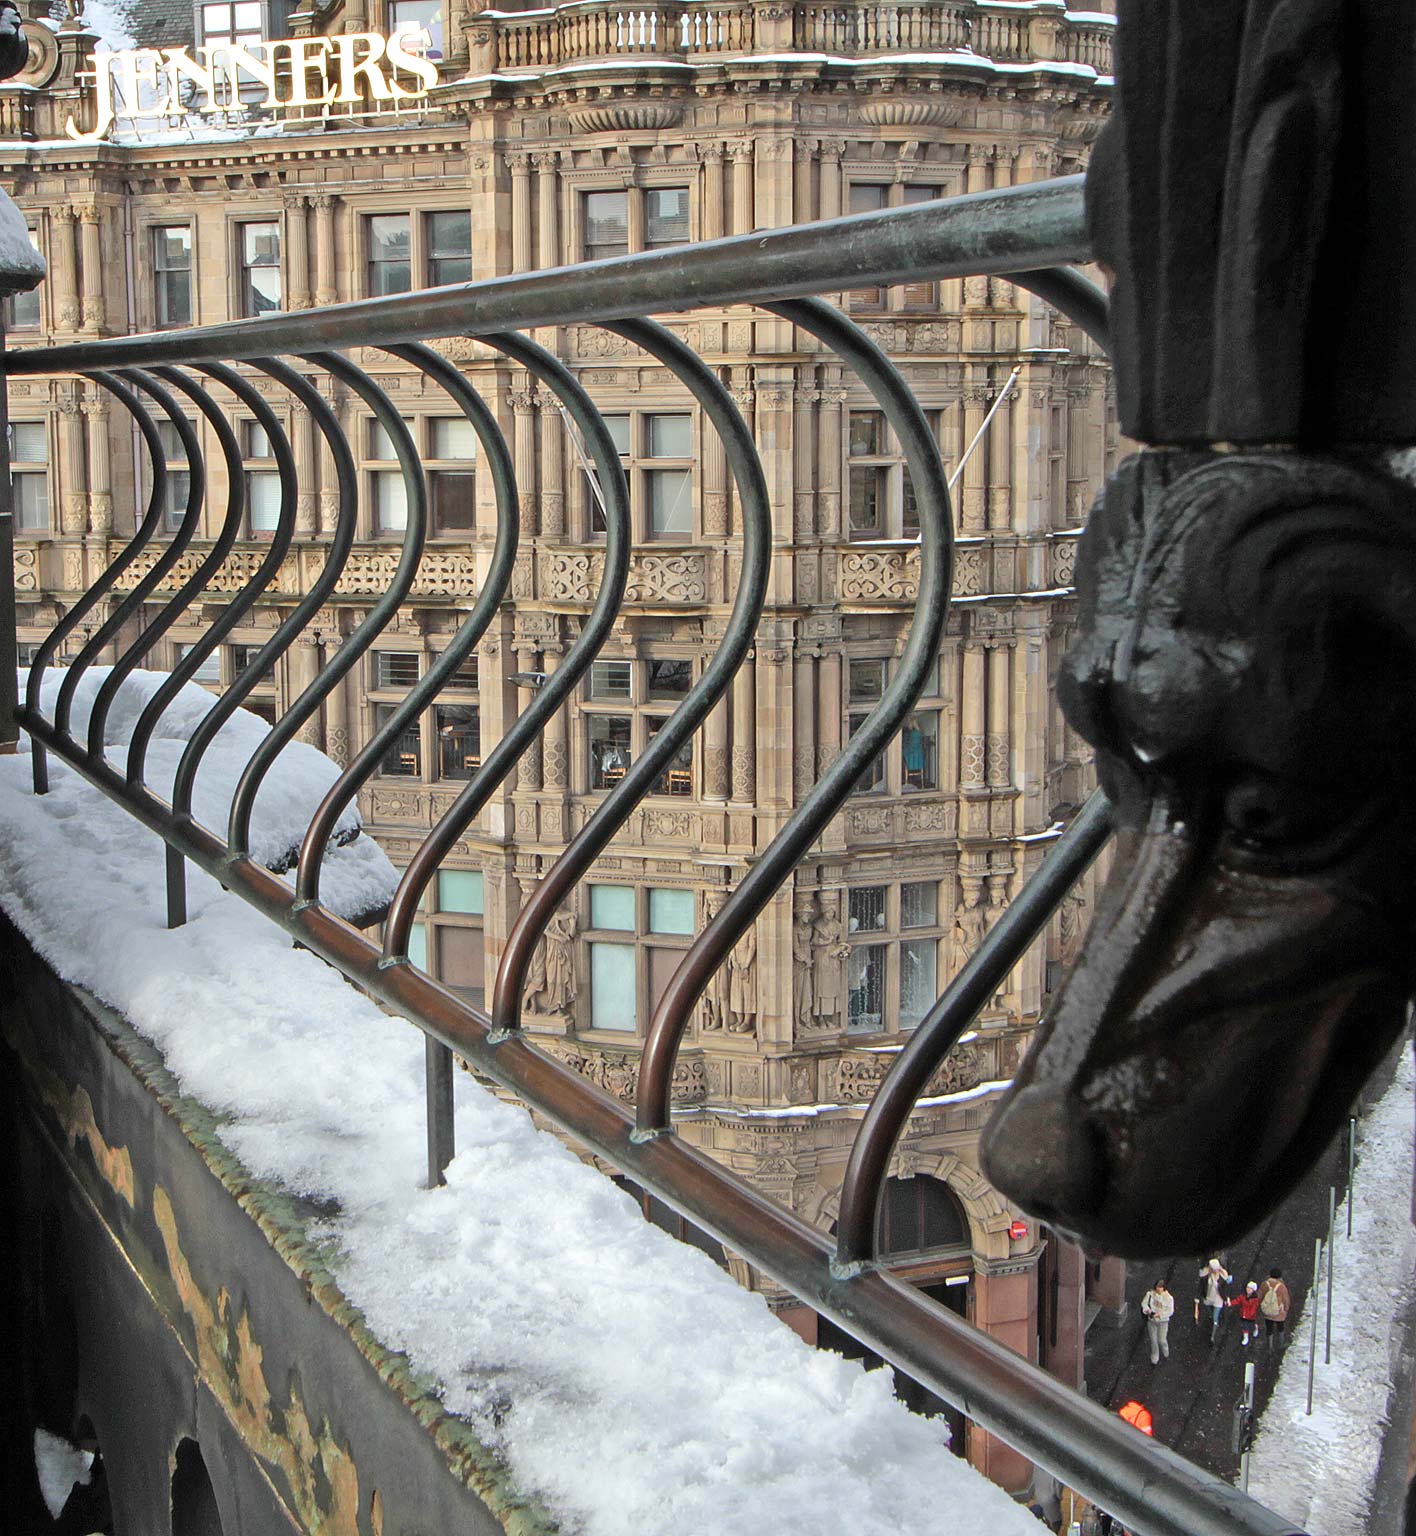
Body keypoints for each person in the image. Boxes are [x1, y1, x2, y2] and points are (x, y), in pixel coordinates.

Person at [1194, 1257, 1231, 1344]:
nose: (1215, 1271)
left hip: (1218, 1299)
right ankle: (1213, 1322)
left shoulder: (1223, 1276)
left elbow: (1226, 1288)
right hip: (1208, 1298)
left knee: (1215, 1317)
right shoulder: (1206, 1276)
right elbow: (1201, 1286)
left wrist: (1226, 1297)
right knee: (1210, 1312)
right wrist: (1198, 1297)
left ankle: (1213, 1336)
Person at [1257, 1267, 1292, 1352]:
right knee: (1280, 1327)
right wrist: (1286, 1309)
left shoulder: (1265, 1284)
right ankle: (1281, 1343)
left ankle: (1270, 1346)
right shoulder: (1281, 1286)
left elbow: (1259, 1296)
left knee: (1269, 1327)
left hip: (1267, 1310)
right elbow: (1286, 1299)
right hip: (1278, 1311)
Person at [1141, 1279, 1174, 1363]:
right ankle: (1154, 1357)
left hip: (1163, 1322)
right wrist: (1148, 1310)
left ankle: (1165, 1350)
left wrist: (1160, 1315)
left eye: (1160, 1287)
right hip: (1152, 1320)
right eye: (1157, 1287)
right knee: (1153, 1340)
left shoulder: (1168, 1298)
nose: (1158, 1289)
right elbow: (1144, 1303)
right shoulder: (1150, 1294)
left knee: (1161, 1339)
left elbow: (1170, 1311)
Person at [1227, 1280, 1262, 1346]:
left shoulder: (1255, 1299)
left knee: (1251, 1326)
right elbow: (1237, 1300)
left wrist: (1250, 1314)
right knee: (1245, 1326)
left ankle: (1255, 1327)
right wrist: (1230, 1303)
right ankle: (1246, 1337)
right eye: (1247, 1288)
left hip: (1251, 1317)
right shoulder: (1243, 1296)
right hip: (1243, 1315)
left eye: (1250, 1288)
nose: (1248, 1290)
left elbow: (1254, 1308)